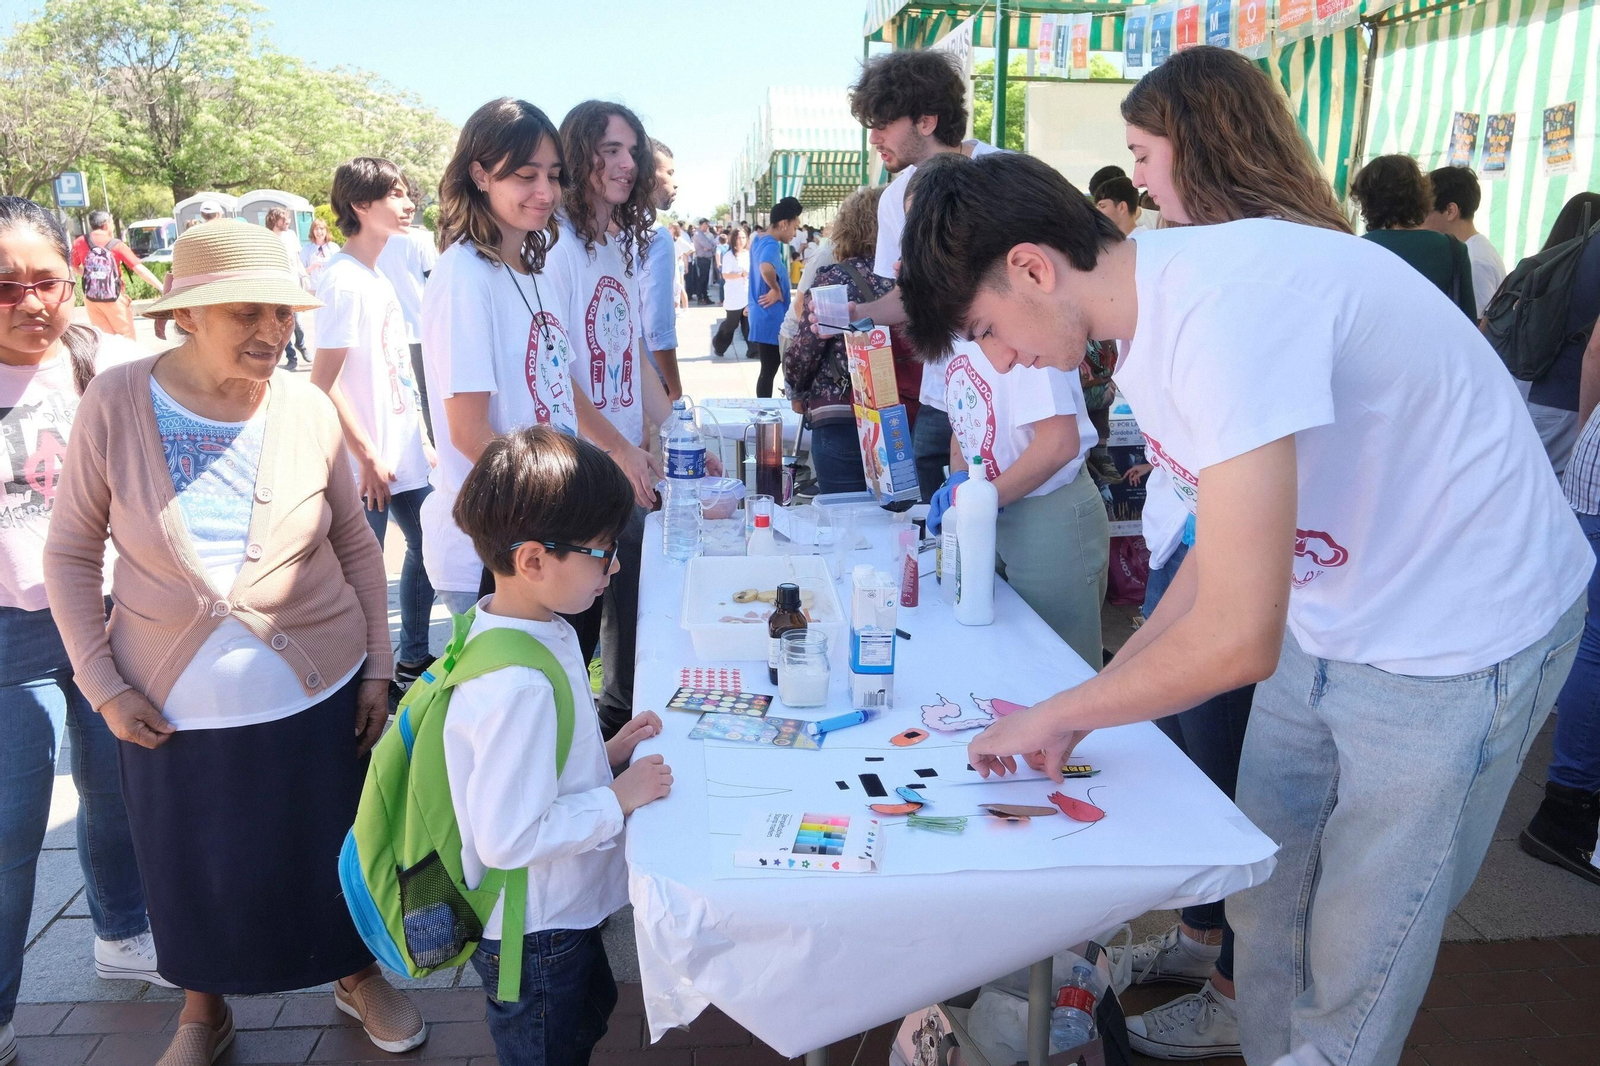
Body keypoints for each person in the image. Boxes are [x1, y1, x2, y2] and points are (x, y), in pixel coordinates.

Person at [899, 147, 1589, 1066]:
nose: (1002, 358)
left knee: (1357, 946)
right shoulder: (1145, 328)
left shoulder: (1225, 313)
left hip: (1456, 638)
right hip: (1335, 610)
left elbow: (1238, 636)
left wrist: (1067, 710)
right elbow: (1215, 558)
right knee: (1268, 889)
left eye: (989, 329)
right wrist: (1106, 692)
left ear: (1032, 267)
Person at [43, 219, 427, 1066]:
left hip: (318, 681)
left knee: (337, 842)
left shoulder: (306, 406)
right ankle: (203, 1008)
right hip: (168, 699)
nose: (271, 333)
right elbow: (71, 551)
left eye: (283, 315)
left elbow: (358, 545)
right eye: (245, 314)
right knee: (191, 866)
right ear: (186, 315)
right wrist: (102, 684)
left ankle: (355, 973)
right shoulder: (116, 403)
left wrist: (374, 668)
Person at [1105, 45, 1359, 1059]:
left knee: (1228, 762)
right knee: (1189, 742)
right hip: (1195, 532)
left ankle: (1228, 977)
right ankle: (1200, 935)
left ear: (1202, 148)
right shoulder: (1206, 260)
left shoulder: (1261, 270)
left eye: (1143, 155)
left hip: (1264, 556)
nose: (1137, 184)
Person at [449, 426, 673, 1066]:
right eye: (602, 552)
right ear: (535, 562)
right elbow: (508, 836)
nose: (616, 565)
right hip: (534, 931)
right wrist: (618, 799)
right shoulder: (514, 686)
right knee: (549, 1049)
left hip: (554, 911)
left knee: (581, 1023)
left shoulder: (518, 624)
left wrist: (605, 755)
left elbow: (537, 766)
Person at [0, 197, 166, 1066]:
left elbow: (200, 364)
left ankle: (124, 932)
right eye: (5, 287)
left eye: (47, 282)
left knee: (114, 786)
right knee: (12, 826)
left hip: (109, 618)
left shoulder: (100, 361)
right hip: (10, 636)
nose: (32, 302)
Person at [419, 97, 658, 619]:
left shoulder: (530, 267)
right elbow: (468, 432)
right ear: (480, 175)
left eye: (553, 175)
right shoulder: (463, 275)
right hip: (501, 551)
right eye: (526, 176)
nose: (545, 192)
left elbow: (558, 388)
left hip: (556, 539)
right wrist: (558, 523)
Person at [544, 99, 672, 736]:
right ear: (579, 154)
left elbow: (633, 351)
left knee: (631, 599)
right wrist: (620, 450)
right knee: (579, 628)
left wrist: (671, 426)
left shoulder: (622, 244)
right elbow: (559, 373)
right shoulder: (558, 248)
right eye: (610, 150)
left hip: (625, 462)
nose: (626, 164)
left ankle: (615, 721)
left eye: (632, 151)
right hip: (581, 469)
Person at [845, 48, 1002, 502]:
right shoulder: (894, 199)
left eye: (883, 123)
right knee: (937, 539)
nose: (873, 137)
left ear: (927, 121)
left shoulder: (1000, 174)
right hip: (941, 395)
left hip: (1010, 391)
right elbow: (906, 297)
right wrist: (861, 312)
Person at [312, 158, 438, 703]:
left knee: (435, 544)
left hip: (403, 454)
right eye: (396, 194)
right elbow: (324, 381)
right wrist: (365, 454)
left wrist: (424, 438)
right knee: (359, 575)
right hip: (368, 464)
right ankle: (363, 680)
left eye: (408, 193)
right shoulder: (340, 280)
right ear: (361, 206)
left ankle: (409, 658)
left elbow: (396, 369)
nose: (408, 204)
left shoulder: (377, 274)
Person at [1523, 300, 1600, 887]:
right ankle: (1569, 805)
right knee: (1594, 643)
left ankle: (1567, 802)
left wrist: (1587, 430)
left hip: (1593, 461)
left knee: (1588, 636)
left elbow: (1596, 351)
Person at [783, 187, 886, 494]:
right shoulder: (909, 277)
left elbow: (806, 349)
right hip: (902, 415)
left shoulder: (835, 278)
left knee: (845, 520)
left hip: (841, 412)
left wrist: (796, 389)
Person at [1520, 191, 1600, 475]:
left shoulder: (1583, 246)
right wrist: (1586, 436)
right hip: (1572, 405)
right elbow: (1595, 350)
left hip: (1541, 394)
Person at [1350, 154, 1477, 318]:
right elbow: (1469, 324)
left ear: (1366, 201)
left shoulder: (1355, 251)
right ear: (1421, 196)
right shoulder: (1453, 249)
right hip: (1432, 342)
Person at [378, 176, 442, 440]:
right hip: (419, 326)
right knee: (428, 392)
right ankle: (436, 442)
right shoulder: (420, 239)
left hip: (388, 330)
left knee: (396, 393)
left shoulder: (376, 240)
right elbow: (435, 281)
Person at [1422, 166, 1506, 318]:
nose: (1418, 220)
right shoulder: (1475, 249)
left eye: (1424, 211)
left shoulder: (1474, 261)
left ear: (1450, 211)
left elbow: (1478, 327)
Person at [70, 210, 164, 341]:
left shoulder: (79, 242)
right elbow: (139, 269)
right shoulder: (116, 244)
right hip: (114, 297)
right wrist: (161, 287)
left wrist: (89, 274)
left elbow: (73, 266)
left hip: (91, 298)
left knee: (105, 340)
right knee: (126, 340)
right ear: (106, 224)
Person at [637, 139, 684, 400]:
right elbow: (657, 325)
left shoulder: (604, 231)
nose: (675, 183)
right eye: (669, 173)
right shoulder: (655, 236)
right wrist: (674, 388)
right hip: (651, 382)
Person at [749, 197, 801, 398]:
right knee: (770, 371)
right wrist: (775, 289)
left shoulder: (759, 239)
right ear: (783, 223)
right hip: (771, 317)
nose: (794, 234)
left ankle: (765, 409)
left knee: (767, 371)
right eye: (794, 228)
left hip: (762, 314)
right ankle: (765, 412)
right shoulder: (771, 244)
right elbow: (765, 267)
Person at [264, 208, 309, 369]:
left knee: (297, 322)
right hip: (277, 286)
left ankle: (301, 343)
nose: (287, 222)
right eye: (283, 219)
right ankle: (292, 357)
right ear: (274, 220)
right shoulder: (266, 237)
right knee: (283, 323)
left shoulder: (291, 236)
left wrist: (304, 275)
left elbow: (296, 260)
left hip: (293, 283)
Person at [711, 227, 750, 357]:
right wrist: (741, 274)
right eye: (739, 237)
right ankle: (719, 345)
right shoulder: (729, 256)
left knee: (748, 324)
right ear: (733, 239)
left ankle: (754, 350)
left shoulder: (747, 254)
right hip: (734, 295)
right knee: (731, 324)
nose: (741, 240)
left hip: (747, 294)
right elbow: (725, 275)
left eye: (744, 237)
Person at [301, 216, 339, 288]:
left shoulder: (334, 248)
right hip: (313, 289)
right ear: (312, 232)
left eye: (321, 228)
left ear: (326, 230)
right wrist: (312, 267)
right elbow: (301, 272)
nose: (319, 232)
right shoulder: (306, 250)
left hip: (330, 287)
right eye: (316, 229)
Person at [691, 218, 716, 303]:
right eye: (706, 225)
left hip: (707, 259)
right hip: (702, 259)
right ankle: (701, 297)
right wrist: (710, 247)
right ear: (702, 224)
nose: (707, 227)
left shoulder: (702, 234)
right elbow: (709, 245)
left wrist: (710, 247)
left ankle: (705, 297)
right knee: (702, 279)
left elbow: (712, 245)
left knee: (705, 280)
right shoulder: (698, 234)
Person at [671, 222, 692, 309]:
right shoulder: (670, 239)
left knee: (680, 286)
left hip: (679, 264)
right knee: (675, 286)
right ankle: (677, 305)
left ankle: (685, 306)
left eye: (670, 228)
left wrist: (683, 254)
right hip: (673, 264)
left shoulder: (679, 239)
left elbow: (691, 249)